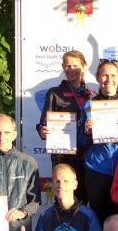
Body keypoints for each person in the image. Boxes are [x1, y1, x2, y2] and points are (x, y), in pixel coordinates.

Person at [78, 59, 118, 225]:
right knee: (99, 219)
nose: (109, 79)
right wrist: (87, 132)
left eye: (113, 75)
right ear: (98, 78)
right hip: (96, 170)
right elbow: (81, 141)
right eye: (105, 75)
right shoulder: (89, 104)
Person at [36, 50, 92, 204]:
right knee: (64, 199)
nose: (71, 69)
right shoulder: (54, 93)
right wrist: (42, 131)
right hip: (63, 156)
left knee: (84, 199)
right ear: (63, 68)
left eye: (75, 65)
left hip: (87, 157)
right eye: (67, 66)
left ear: (84, 66)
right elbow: (43, 124)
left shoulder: (91, 95)